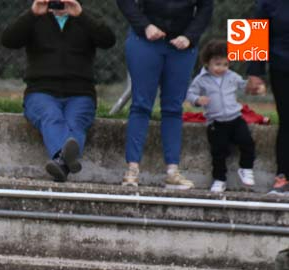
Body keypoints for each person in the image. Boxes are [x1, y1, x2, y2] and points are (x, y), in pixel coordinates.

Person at [0, 0, 115, 182]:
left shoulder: (85, 16)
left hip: (80, 93)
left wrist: (81, 15)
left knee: (75, 122)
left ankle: (60, 164)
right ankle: (65, 161)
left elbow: (108, 40)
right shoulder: (36, 17)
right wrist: (32, 13)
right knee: (51, 116)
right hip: (41, 91)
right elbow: (8, 40)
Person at [116, 0, 213, 189]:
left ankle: (172, 172)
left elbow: (206, 7)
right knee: (141, 105)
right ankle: (132, 170)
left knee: (173, 108)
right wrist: (145, 26)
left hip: (182, 46)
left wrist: (189, 36)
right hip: (145, 40)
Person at [185, 39, 256, 193]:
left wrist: (253, 85)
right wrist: (198, 100)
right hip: (216, 122)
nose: (222, 68)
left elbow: (243, 85)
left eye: (225, 64)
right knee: (218, 152)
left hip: (235, 119)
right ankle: (219, 179)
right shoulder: (201, 79)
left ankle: (246, 168)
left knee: (247, 142)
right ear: (207, 63)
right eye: (217, 64)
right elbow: (190, 93)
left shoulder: (231, 76)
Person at [247, 0, 289, 195]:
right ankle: (283, 177)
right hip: (281, 67)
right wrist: (254, 73)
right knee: (287, 121)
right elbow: (255, 28)